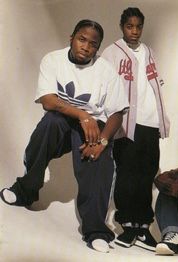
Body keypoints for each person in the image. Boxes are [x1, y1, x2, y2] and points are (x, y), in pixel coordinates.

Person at [0, 19, 129, 253]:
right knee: (50, 124)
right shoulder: (53, 60)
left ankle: (96, 230)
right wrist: (82, 115)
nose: (86, 47)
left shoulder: (106, 71)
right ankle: (25, 190)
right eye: (82, 39)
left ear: (97, 48)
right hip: (66, 119)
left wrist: (102, 141)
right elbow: (48, 101)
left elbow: (117, 113)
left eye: (93, 44)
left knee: (98, 161)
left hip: (94, 126)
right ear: (71, 38)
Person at [101, 7, 170, 251]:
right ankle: (127, 224)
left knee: (146, 173)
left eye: (138, 26)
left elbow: (157, 88)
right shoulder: (112, 52)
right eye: (130, 26)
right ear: (122, 26)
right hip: (127, 122)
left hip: (150, 122)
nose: (134, 31)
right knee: (127, 173)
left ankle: (143, 227)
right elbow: (106, 85)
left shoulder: (149, 52)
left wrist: (163, 118)